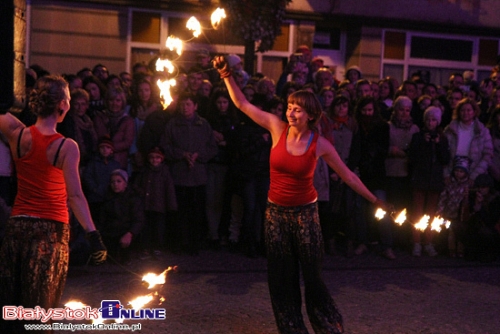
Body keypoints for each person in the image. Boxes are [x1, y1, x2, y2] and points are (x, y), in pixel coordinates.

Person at [213, 56, 391, 334]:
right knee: (281, 275)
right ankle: (292, 327)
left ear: (310, 115)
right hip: (275, 214)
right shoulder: (276, 128)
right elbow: (243, 104)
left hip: (306, 215)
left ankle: (325, 323)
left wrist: (375, 199)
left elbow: (348, 176)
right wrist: (226, 74)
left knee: (312, 273)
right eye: (290, 107)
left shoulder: (319, 144)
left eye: (297, 109)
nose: (291, 113)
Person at [0, 75, 106, 333]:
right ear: (62, 105)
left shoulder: (16, 133)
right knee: (39, 312)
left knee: (11, 308)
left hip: (17, 229)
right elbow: (75, 196)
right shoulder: (66, 147)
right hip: (49, 235)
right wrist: (93, 235)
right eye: (68, 99)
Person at [408, 107, 450, 257]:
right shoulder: (418, 137)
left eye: (433, 120)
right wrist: (424, 144)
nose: (431, 123)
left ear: (438, 121)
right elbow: (412, 157)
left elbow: (445, 159)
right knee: (417, 212)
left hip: (435, 181)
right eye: (428, 120)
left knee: (431, 213)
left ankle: (429, 242)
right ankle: (417, 242)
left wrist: (438, 144)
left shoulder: (443, 138)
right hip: (420, 179)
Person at [133, 146, 177, 257]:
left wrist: (172, 205)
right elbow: (135, 185)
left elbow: (169, 189)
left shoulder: (165, 172)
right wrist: (141, 192)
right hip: (145, 205)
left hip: (159, 206)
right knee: (145, 228)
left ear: (161, 159)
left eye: (157, 158)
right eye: (152, 157)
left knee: (158, 229)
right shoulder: (144, 171)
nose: (155, 160)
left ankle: (157, 247)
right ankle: (146, 248)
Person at [98, 169, 144, 264]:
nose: (115, 184)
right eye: (113, 182)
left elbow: (138, 220)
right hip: (110, 232)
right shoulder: (107, 198)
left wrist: (130, 233)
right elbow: (102, 219)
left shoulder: (133, 199)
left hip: (127, 231)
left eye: (119, 181)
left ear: (125, 183)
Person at [436, 156, 471, 258]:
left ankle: (460, 250)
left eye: (461, 171)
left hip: (460, 214)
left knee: (460, 233)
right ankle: (451, 250)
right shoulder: (450, 184)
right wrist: (440, 210)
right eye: (457, 171)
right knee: (451, 232)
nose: (458, 173)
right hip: (449, 212)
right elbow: (443, 198)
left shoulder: (467, 186)